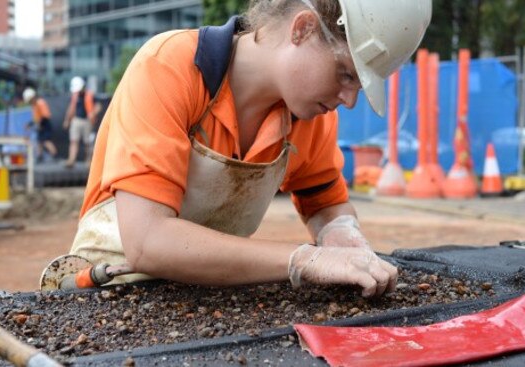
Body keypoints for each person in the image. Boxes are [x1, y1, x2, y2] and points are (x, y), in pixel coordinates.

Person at [62, 0, 431, 297]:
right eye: (346, 74)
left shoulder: (310, 117)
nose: (349, 100)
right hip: (107, 291)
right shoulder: (172, 67)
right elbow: (148, 242)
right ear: (302, 29)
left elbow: (325, 203)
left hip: (208, 296)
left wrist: (340, 234)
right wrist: (304, 260)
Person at [63, 76, 96, 168]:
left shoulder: (90, 95)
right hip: (76, 120)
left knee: (88, 142)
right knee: (74, 140)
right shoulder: (75, 96)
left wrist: (93, 114)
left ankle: (89, 161)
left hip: (87, 121)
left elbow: (97, 106)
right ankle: (71, 160)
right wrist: (67, 120)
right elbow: (71, 108)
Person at [23, 87, 58, 162]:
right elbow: (36, 118)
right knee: (39, 141)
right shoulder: (34, 105)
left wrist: (40, 124)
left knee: (46, 141)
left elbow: (45, 116)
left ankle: (54, 154)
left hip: (45, 124)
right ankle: (40, 156)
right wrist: (30, 124)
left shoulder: (40, 102)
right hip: (41, 124)